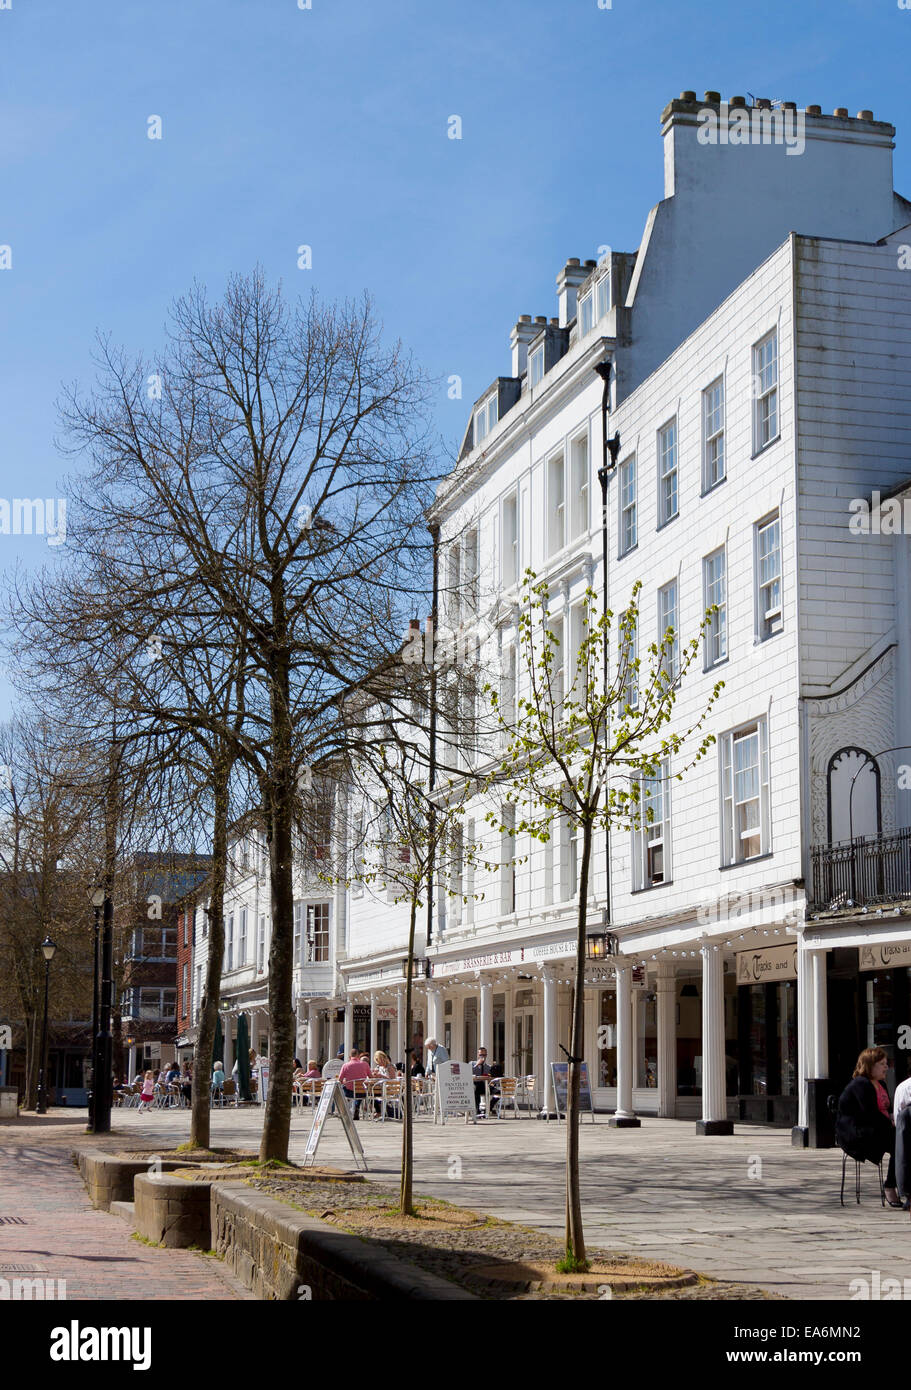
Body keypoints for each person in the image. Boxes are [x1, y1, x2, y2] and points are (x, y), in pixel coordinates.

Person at [836, 1047, 901, 1206]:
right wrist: (892, 1124)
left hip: (878, 1129)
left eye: (886, 1063)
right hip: (857, 1133)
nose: (886, 1067)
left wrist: (895, 1119)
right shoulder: (861, 1084)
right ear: (870, 1065)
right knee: (902, 1144)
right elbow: (870, 1114)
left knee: (904, 1142)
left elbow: (886, 1111)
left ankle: (897, 1185)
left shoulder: (881, 1085)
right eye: (881, 1064)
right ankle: (890, 1186)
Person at [338, 1048, 371, 1119]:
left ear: (350, 1056)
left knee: (345, 1087)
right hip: (362, 1092)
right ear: (358, 1055)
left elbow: (340, 1080)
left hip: (349, 1092)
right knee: (360, 1089)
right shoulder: (365, 1064)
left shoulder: (345, 1065)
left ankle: (346, 1110)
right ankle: (357, 1107)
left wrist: (345, 1082)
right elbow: (371, 1077)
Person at [471, 1047, 492, 1117]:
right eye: (481, 1055)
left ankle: (488, 1109)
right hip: (474, 1085)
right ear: (478, 1055)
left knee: (499, 1092)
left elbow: (490, 1077)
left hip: (485, 1085)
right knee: (476, 1089)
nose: (482, 1057)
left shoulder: (488, 1067)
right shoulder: (472, 1064)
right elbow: (466, 1073)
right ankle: (477, 1111)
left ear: (486, 1055)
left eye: (484, 1055)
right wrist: (476, 1065)